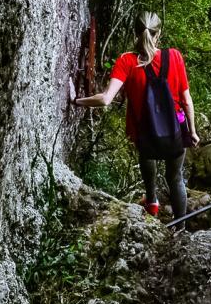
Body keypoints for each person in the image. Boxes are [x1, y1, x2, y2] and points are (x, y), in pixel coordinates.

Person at [73, 12, 200, 220]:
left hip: (145, 134)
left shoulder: (127, 61)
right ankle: (181, 229)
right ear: (158, 34)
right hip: (175, 131)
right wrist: (193, 132)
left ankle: (152, 201)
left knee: (147, 156)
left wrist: (77, 101)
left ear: (135, 32)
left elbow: (105, 99)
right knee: (176, 179)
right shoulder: (174, 56)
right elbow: (186, 100)